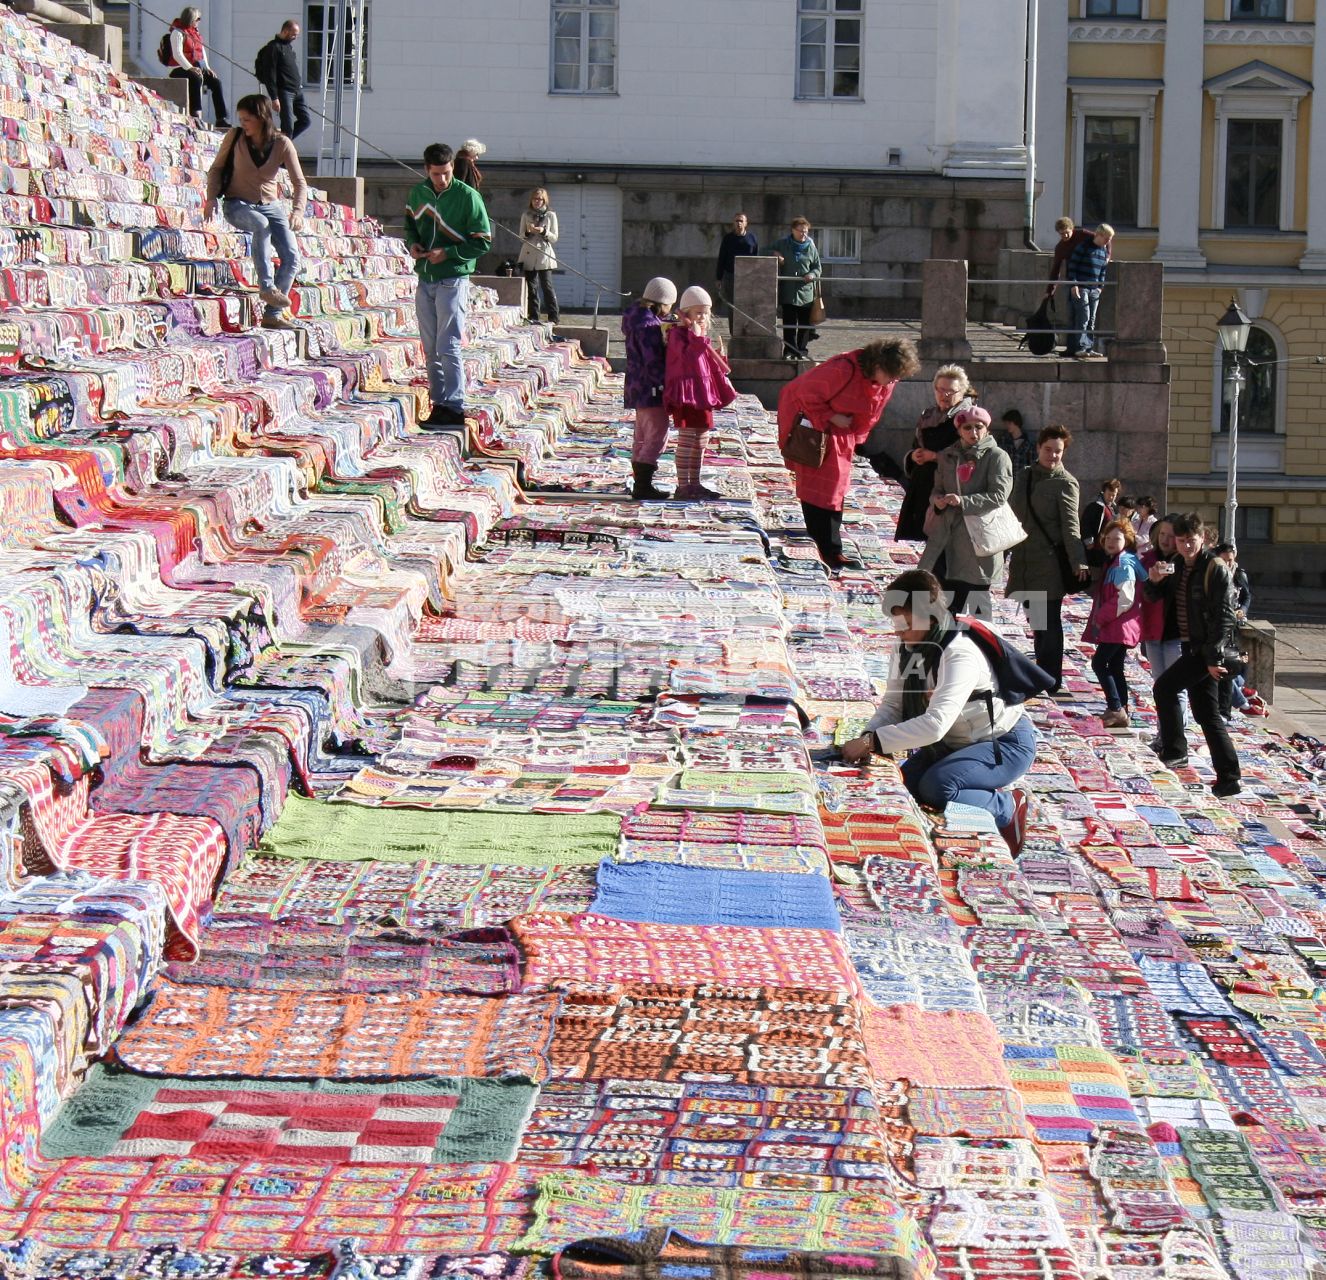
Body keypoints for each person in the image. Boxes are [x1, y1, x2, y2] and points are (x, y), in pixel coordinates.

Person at [841, 568, 1036, 855]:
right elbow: (894, 703)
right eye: (895, 622)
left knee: (937, 787)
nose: (897, 631)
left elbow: (935, 726)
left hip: (1002, 743)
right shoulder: (910, 647)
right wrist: (868, 735)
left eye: (905, 623)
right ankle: (976, 788)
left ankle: (1008, 806)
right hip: (958, 744)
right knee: (905, 783)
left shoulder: (959, 652)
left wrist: (873, 742)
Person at [776, 338, 921, 569]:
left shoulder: (885, 380)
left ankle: (829, 546)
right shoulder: (843, 368)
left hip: (841, 431)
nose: (894, 381)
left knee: (835, 487)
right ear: (878, 365)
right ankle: (827, 548)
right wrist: (833, 417)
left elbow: (873, 412)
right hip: (815, 426)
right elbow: (804, 392)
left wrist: (857, 438)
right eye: (891, 375)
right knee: (820, 485)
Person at [1143, 512, 1243, 798]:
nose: (1187, 546)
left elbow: (1224, 617)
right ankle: (1229, 777)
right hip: (1191, 646)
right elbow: (1153, 598)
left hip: (1204, 649)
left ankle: (1176, 751)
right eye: (1182, 540)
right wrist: (1154, 581)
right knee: (1207, 713)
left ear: (1203, 538)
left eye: (1192, 541)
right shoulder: (1175, 563)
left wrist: (1213, 659)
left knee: (1164, 688)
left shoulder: (1214, 567)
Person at [404, 143, 491, 427]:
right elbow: (410, 226)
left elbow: (483, 241)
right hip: (425, 275)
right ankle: (438, 403)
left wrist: (449, 253)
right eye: (436, 174)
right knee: (430, 346)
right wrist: (412, 245)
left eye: (446, 172)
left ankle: (454, 405)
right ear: (426, 170)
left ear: (453, 166)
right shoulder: (418, 194)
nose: (442, 179)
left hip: (453, 277)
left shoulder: (468, 196)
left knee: (448, 343)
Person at [204, 95, 305, 332]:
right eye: (241, 119)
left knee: (292, 258)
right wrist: (211, 198)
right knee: (260, 224)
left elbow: (299, 182)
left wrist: (297, 211)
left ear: (262, 118)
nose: (243, 124)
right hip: (237, 203)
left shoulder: (282, 143)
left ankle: (273, 314)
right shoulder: (235, 137)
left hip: (271, 205)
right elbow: (217, 168)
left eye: (247, 119)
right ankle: (267, 287)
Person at [1006, 424, 1089, 693]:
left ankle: (1050, 679)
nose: (1053, 456)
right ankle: (1042, 675)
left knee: (1049, 623)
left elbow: (1070, 525)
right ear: (1039, 448)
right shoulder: (1026, 476)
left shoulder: (1065, 482)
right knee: (1037, 622)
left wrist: (1078, 561)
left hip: (1049, 562)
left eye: (1058, 451)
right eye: (1048, 450)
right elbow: (1011, 515)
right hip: (1024, 560)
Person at [919, 405, 1013, 617]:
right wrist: (938, 501)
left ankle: (980, 647)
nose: (973, 433)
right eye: (967, 428)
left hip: (980, 537)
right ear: (959, 430)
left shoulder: (996, 456)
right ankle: (949, 645)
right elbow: (937, 489)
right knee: (948, 602)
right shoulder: (947, 456)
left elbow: (999, 495)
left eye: (978, 427)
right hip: (949, 537)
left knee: (979, 605)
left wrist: (963, 501)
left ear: (987, 429)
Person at [664, 286, 737, 501]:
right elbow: (688, 360)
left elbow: (708, 366)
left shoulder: (701, 336)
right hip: (687, 394)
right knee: (687, 439)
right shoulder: (677, 335)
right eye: (698, 313)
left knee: (702, 439)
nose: (703, 317)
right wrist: (697, 338)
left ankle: (695, 483)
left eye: (706, 313)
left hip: (703, 394)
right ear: (685, 314)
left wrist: (721, 358)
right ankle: (682, 485)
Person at [895, 365, 975, 542]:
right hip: (923, 486)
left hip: (951, 490)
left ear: (962, 392)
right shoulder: (927, 416)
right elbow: (916, 444)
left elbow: (972, 457)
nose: (945, 395)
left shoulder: (970, 419)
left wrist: (935, 456)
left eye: (951, 391)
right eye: (941, 390)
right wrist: (914, 455)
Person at [1086, 519, 1146, 729]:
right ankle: (1122, 706)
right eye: (1108, 538)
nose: (1111, 542)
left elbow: (1125, 597)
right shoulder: (1118, 560)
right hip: (1121, 625)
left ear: (1126, 540)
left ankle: (1115, 707)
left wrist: (1101, 616)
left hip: (1119, 625)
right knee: (1115, 665)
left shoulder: (1122, 564)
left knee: (1099, 663)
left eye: (1117, 538)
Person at [623, 277, 677, 501]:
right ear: (662, 302)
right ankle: (643, 484)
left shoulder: (634, 318)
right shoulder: (649, 326)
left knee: (642, 434)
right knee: (657, 434)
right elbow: (652, 360)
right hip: (651, 386)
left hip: (635, 385)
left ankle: (640, 481)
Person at [1139, 514, 1185, 749]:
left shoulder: (1184, 563)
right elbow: (1146, 594)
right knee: (1160, 686)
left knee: (1175, 688)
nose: (1166, 540)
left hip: (1176, 634)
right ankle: (1163, 735)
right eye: (1163, 535)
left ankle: (1175, 738)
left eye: (1171, 536)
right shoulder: (1148, 559)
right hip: (1154, 632)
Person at [166, 7, 228, 128]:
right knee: (196, 78)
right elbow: (177, 54)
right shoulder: (178, 33)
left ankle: (221, 118)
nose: (199, 21)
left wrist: (207, 68)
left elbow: (201, 52)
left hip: (195, 67)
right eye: (198, 19)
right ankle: (196, 114)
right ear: (191, 19)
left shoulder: (195, 33)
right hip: (180, 68)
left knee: (216, 82)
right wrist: (190, 68)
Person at [770, 217, 822, 360]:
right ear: (793, 230)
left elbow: (818, 267)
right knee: (789, 323)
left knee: (804, 324)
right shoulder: (783, 244)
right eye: (800, 231)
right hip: (789, 292)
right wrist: (775, 254)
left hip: (806, 292)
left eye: (805, 232)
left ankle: (801, 350)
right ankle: (789, 350)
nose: (803, 235)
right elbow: (764, 249)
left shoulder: (811, 247)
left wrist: (812, 274)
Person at [1064, 223, 1114, 358]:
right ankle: (1080, 347)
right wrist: (1074, 285)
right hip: (1081, 287)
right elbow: (1072, 267)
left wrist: (1100, 287)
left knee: (1091, 319)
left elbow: (1103, 270)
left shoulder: (1103, 251)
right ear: (1099, 235)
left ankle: (1088, 348)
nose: (1108, 241)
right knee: (1083, 317)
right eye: (1107, 238)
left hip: (1094, 289)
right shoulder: (1083, 247)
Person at [254, 20, 310, 139]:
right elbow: (270, 74)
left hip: (297, 91)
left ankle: (279, 142)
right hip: (285, 92)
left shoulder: (288, 48)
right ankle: (283, 149)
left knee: (306, 121)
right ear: (285, 31)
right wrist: (274, 97)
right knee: (287, 127)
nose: (295, 37)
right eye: (293, 34)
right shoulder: (273, 48)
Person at [517, 189, 559, 324]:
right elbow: (521, 236)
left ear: (544, 200)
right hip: (529, 254)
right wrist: (528, 232)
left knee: (547, 286)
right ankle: (534, 316)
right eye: (534, 199)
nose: (536, 202)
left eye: (539, 199)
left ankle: (553, 316)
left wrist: (543, 231)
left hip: (544, 255)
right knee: (532, 288)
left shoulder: (551, 215)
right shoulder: (526, 214)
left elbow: (554, 237)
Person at [715, 213, 758, 317]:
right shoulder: (728, 238)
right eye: (737, 221)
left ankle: (745, 331)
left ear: (746, 223)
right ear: (733, 223)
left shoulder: (752, 238)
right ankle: (733, 332)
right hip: (731, 275)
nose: (739, 223)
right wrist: (718, 278)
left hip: (747, 276)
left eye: (741, 221)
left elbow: (756, 258)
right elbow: (722, 258)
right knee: (732, 306)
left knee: (746, 305)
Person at [1082, 477, 1122, 564]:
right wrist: (1089, 541)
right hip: (1095, 548)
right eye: (1109, 494)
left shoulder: (1114, 509)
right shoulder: (1095, 506)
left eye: (1113, 495)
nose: (1111, 497)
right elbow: (1085, 523)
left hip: (1107, 549)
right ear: (1104, 492)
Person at [997, 409, 1033, 473]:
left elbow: (1032, 463)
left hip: (1022, 478)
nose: (1007, 426)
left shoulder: (1029, 442)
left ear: (1016, 422)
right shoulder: (1003, 440)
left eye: (1009, 423)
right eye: (1006, 423)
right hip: (1006, 476)